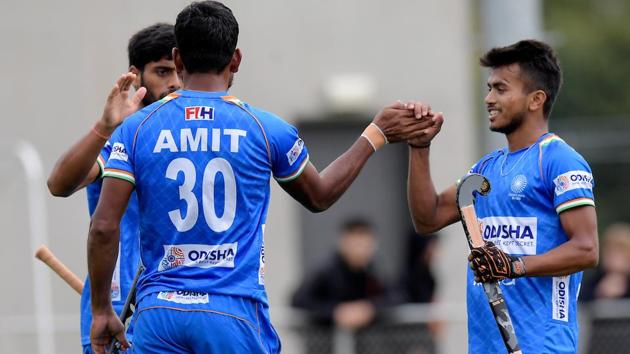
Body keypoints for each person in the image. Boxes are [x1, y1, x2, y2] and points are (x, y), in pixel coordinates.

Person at [86, 1, 437, 353]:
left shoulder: (135, 129)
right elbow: (320, 196)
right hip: (233, 311)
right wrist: (376, 134)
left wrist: (102, 310)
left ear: (178, 60)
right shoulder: (264, 128)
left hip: (160, 314)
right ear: (235, 60)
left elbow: (103, 227)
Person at [406, 39, 598, 354]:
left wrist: (514, 265)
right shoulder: (486, 168)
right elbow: (428, 218)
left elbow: (586, 249)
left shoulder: (558, 159)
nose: (488, 99)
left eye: (501, 89)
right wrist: (419, 148)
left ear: (536, 99)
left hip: (542, 347)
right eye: (489, 88)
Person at [47, 23, 180, 353]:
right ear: (136, 76)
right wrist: (105, 127)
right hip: (118, 319)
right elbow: (59, 184)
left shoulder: (197, 139)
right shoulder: (122, 140)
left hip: (176, 314)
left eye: (180, 71)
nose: (174, 83)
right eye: (162, 71)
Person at [292, 218, 388, 330]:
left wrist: (369, 308)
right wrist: (336, 312)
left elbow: (395, 296)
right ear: (343, 242)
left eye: (364, 243)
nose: (360, 249)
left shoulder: (374, 272)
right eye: (356, 242)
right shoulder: (326, 271)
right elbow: (300, 300)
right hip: (328, 342)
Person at [581, 223, 630, 301]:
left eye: (620, 250)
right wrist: (600, 293)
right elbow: (581, 303)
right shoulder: (594, 280)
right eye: (609, 250)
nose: (612, 255)